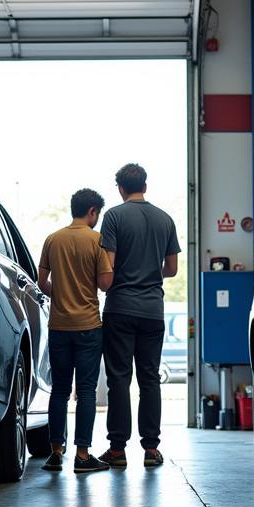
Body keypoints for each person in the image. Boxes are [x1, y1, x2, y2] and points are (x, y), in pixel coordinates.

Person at [97, 163, 180, 468]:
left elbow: (109, 265)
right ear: (145, 185)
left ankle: (117, 449)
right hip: (152, 311)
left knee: (119, 378)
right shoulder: (165, 219)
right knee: (150, 379)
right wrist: (148, 274)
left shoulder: (115, 216)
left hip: (120, 306)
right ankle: (151, 449)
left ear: (120, 188)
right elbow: (171, 269)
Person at [37, 188, 114, 475]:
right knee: (85, 391)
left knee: (59, 389)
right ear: (92, 211)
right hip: (88, 326)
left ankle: (56, 452)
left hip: (58, 326)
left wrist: (60, 295)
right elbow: (105, 283)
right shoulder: (96, 240)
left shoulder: (53, 239)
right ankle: (82, 455)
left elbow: (41, 280)